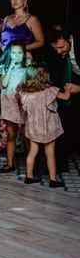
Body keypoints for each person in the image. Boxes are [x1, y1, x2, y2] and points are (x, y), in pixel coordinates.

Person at [0, 0, 44, 150]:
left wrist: (22, 51)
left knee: (23, 103)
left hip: (24, 64)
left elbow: (41, 41)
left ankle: (26, 144)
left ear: (25, 1)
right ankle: (8, 141)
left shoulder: (32, 19)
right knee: (7, 102)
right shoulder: (6, 19)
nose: (15, 0)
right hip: (6, 65)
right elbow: (3, 41)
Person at [17, 64, 71, 188]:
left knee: (32, 151)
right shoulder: (50, 91)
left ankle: (29, 177)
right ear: (45, 76)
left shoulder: (24, 94)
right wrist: (67, 89)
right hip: (49, 127)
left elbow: (17, 96)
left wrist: (19, 89)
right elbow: (66, 96)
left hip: (33, 128)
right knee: (50, 152)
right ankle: (53, 180)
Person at [47, 25, 80, 174]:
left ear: (70, 39)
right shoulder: (58, 53)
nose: (59, 51)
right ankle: (61, 164)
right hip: (69, 90)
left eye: (61, 47)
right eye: (55, 49)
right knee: (64, 124)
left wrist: (79, 88)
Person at [0, 41, 29, 173]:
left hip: (24, 104)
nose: (17, 55)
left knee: (27, 135)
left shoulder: (28, 68)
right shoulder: (3, 68)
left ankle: (31, 164)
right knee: (11, 134)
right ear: (9, 54)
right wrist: (10, 66)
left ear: (24, 54)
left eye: (20, 53)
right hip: (9, 104)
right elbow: (3, 84)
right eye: (14, 53)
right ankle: (10, 163)